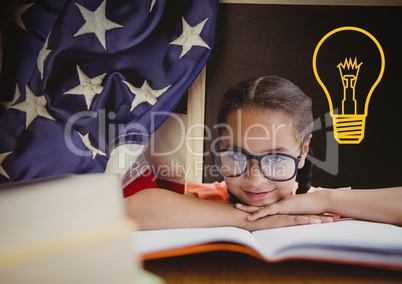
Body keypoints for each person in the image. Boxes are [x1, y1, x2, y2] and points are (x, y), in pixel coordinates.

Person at [125, 75, 402, 231]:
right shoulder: (204, 202)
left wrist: (328, 198)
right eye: (236, 155)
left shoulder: (321, 208)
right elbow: (132, 209)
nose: (255, 180)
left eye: (276, 158)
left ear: (303, 150)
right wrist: (249, 220)